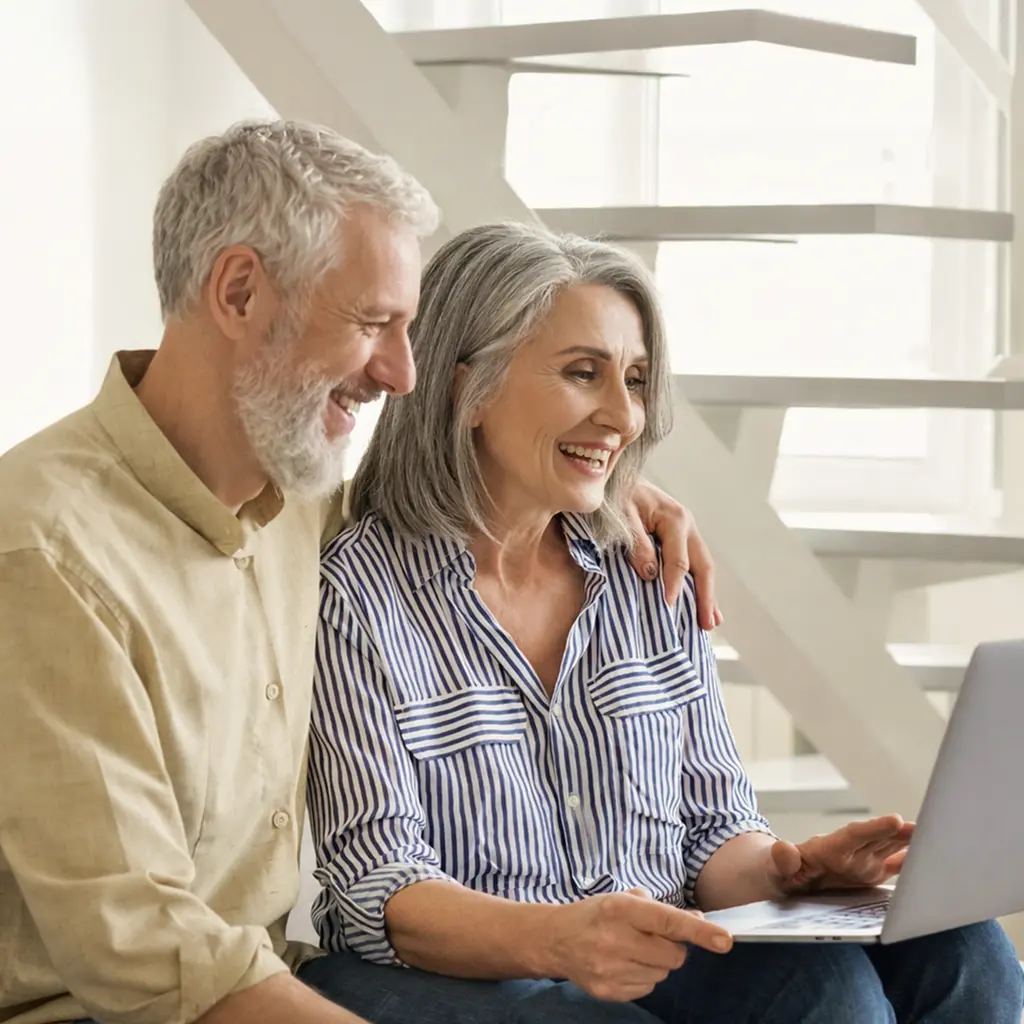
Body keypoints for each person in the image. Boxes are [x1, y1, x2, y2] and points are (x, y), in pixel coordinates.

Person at [0, 122, 712, 1024]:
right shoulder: (46, 553)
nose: (403, 374)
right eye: (373, 323)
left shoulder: (298, 504)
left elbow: (453, 500)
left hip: (266, 978)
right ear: (239, 292)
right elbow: (137, 946)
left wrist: (608, 489)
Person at [307, 221, 1024, 1024]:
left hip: (651, 950)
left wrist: (788, 872)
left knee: (964, 949)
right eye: (584, 374)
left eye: (637, 380)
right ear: (464, 390)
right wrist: (562, 939)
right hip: (461, 972)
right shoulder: (356, 596)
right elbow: (380, 886)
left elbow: (714, 831)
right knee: (827, 998)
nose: (625, 416)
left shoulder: (648, 572)